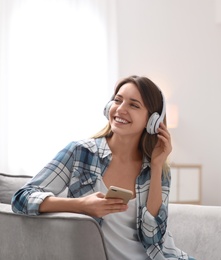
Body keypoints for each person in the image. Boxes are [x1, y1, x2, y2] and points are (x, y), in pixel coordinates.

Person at [11, 75, 195, 260]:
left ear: (152, 121)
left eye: (134, 105)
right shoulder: (80, 152)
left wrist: (156, 166)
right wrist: (81, 206)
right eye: (117, 100)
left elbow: (153, 237)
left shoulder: (157, 169)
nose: (121, 109)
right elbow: (21, 198)